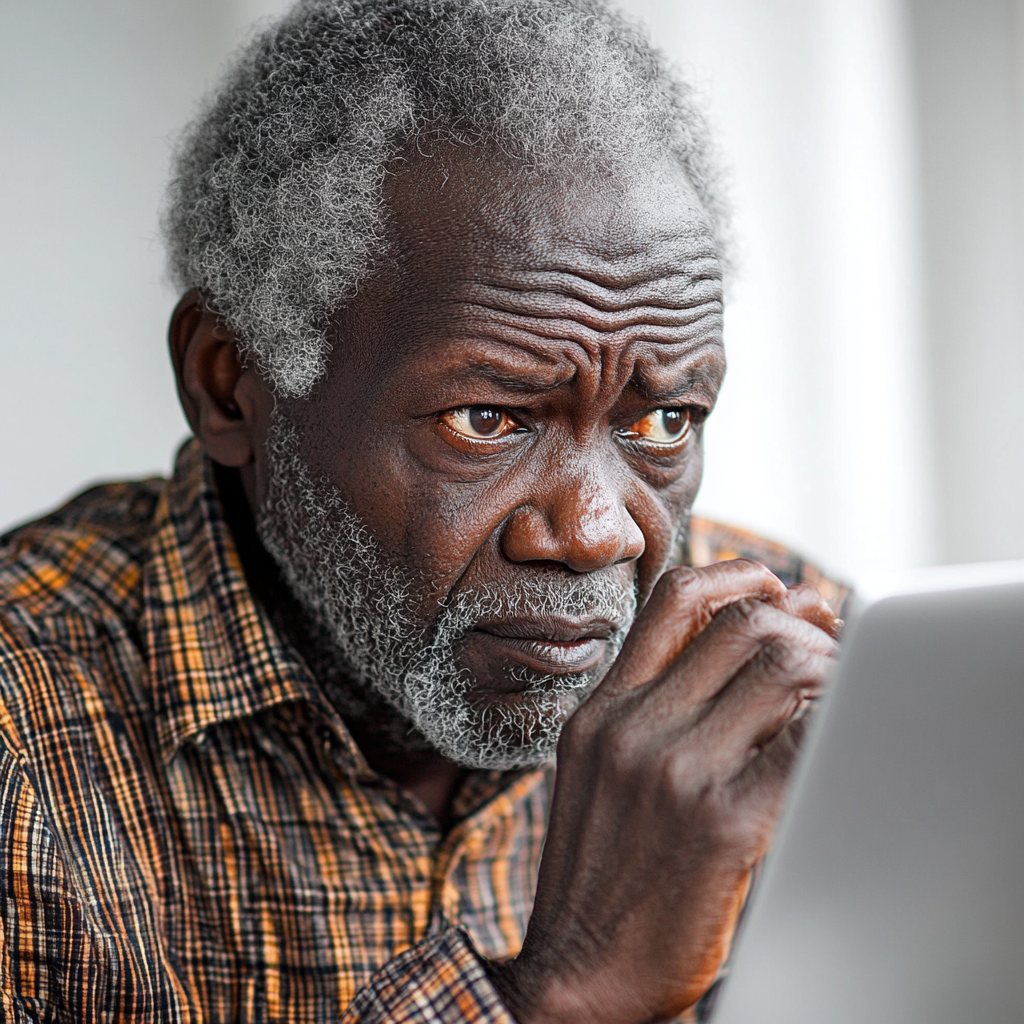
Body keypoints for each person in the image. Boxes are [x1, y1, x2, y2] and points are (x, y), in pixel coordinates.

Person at [0, 1, 848, 1021]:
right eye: (486, 417)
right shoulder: (25, 747)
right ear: (234, 385)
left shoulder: (793, 675)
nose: (599, 532)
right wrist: (564, 993)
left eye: (663, 419)